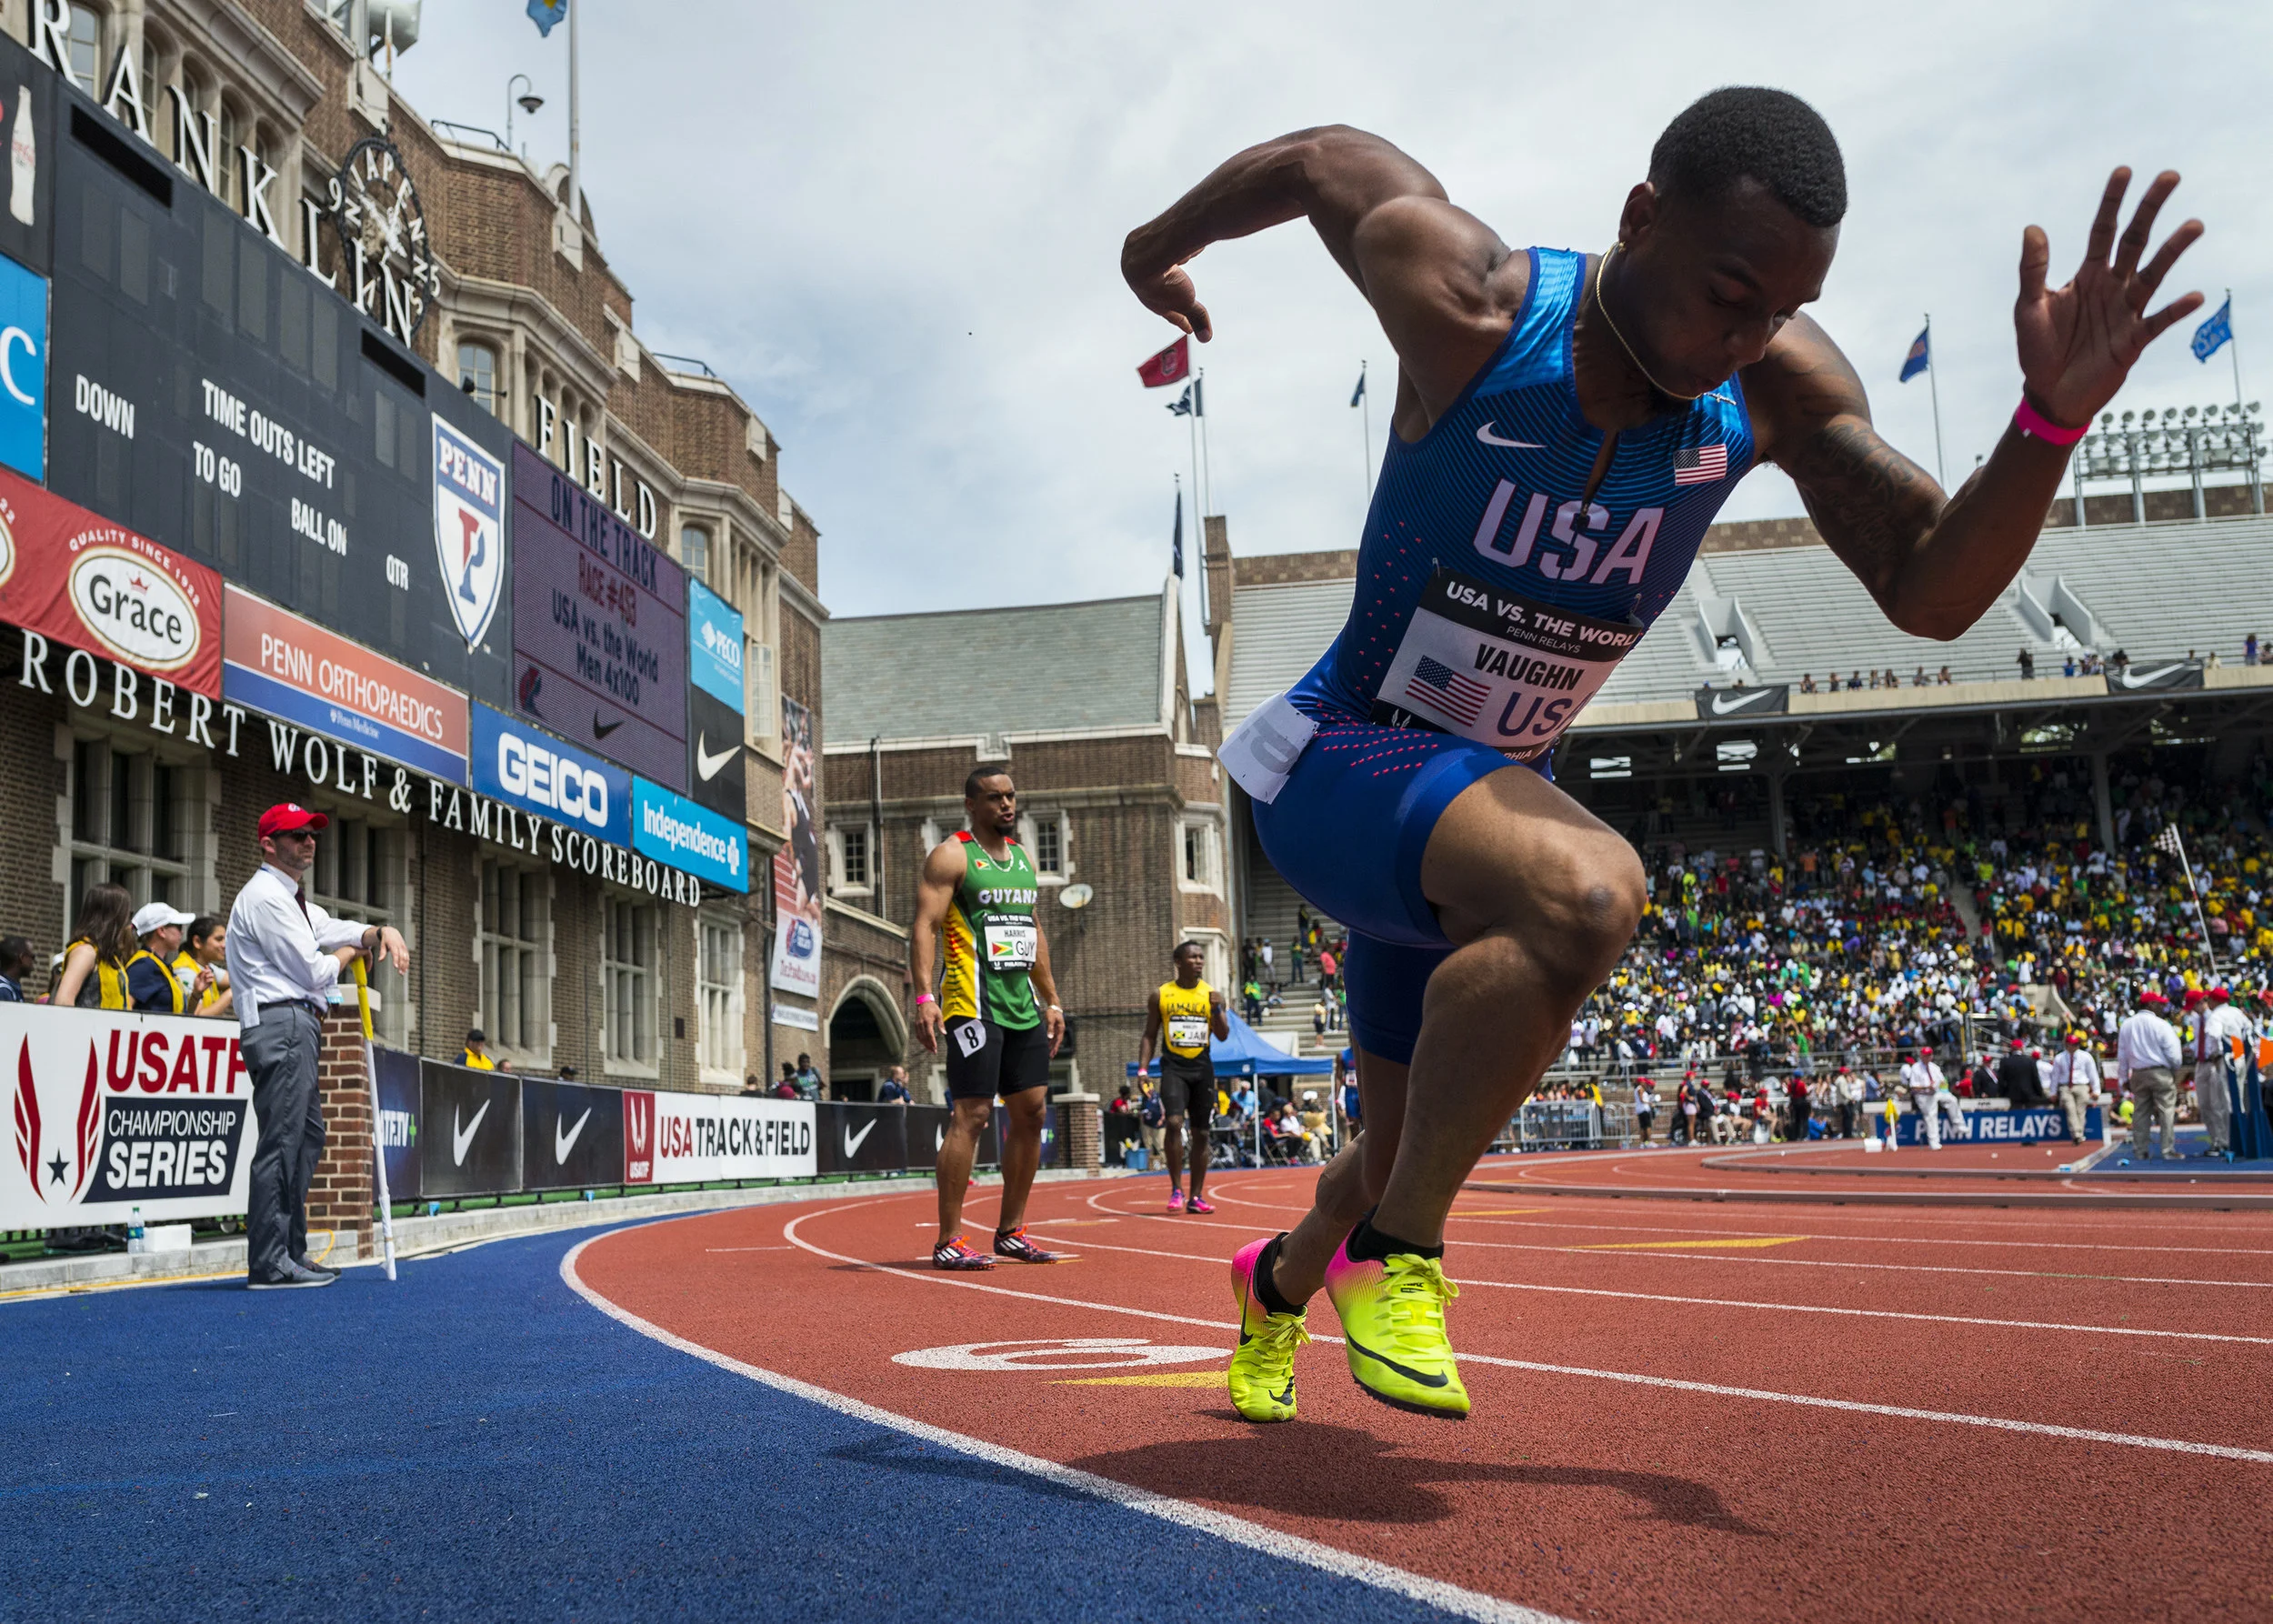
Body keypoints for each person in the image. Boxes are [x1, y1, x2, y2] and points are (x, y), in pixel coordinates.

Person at [1130, 94, 2200, 1421]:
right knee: (1589, 891)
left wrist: (2047, 422)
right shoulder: (1475, 306)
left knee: (1401, 1142)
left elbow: (1930, 591)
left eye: (1784, 308)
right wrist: (1152, 247)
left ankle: (1278, 1284)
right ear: (1641, 220)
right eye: (1730, 292)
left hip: (1472, 816)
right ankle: (1402, 1262)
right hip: (1342, 763)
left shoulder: (1769, 386)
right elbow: (1318, 161)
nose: (1750, 337)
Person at [226, 803, 409, 1288]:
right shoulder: (266, 897)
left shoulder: (293, 899)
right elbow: (313, 968)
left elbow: (331, 928)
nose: (309, 841)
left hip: (295, 1022)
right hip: (281, 1021)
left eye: (312, 834)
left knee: (305, 1137)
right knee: (283, 1142)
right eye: (296, 835)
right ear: (269, 844)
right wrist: (352, 953)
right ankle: (269, 1262)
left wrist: (377, 932)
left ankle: (290, 1250)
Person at [910, 769, 1066, 1269]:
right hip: (971, 1005)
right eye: (995, 798)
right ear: (971, 805)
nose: (1006, 805)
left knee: (1033, 1113)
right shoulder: (952, 855)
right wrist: (921, 997)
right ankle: (949, 1239)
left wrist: (1053, 1000)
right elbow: (925, 925)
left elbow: (1032, 931)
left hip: (1021, 1006)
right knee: (972, 1114)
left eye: (1011, 796)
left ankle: (1011, 1230)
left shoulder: (1022, 858)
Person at [1136, 939, 1232, 1214]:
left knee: (1202, 1132)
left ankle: (1197, 1196)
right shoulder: (1162, 994)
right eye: (1193, 957)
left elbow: (1223, 1035)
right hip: (1174, 1067)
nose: (1199, 961)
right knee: (1175, 1122)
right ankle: (1177, 1188)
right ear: (1178, 962)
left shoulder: (1212, 994)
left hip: (1202, 1068)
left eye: (1202, 956)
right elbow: (1149, 1035)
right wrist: (1143, 1070)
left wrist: (1217, 1009)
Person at [2117, 989, 2183, 1160]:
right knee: (2166, 1111)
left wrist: (2123, 1078)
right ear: (2151, 1005)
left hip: (2138, 1072)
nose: (2163, 1007)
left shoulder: (2127, 1024)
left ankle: (2140, 1150)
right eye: (2160, 1004)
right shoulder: (2160, 1024)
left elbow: (2122, 1055)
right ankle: (2167, 1150)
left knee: (2140, 1112)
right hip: (2160, 1071)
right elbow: (2174, 1053)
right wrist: (2174, 1070)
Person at [52, 882, 135, 1008]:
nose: (129, 924)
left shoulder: (109, 958)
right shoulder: (85, 952)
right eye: (127, 915)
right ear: (113, 917)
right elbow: (63, 1002)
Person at [2200, 986, 2251, 1158]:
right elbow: (2249, 1030)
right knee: (2240, 1100)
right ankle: (2243, 1136)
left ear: (2214, 1001)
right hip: (2240, 1055)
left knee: (2224, 1101)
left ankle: (2228, 1141)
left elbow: (2214, 1036)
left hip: (2226, 1058)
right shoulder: (2237, 1012)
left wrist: (2215, 1055)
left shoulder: (2216, 1016)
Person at [125, 903, 204, 1014]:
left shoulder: (159, 965)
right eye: (178, 927)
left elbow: (181, 1016)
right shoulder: (144, 966)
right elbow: (124, 1010)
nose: (181, 932)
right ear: (161, 931)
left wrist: (196, 994)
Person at [2049, 1030, 2101, 1144]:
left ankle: (2079, 1134)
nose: (2073, 1047)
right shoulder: (2059, 1058)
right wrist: (2052, 1092)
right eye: (2071, 1045)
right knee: (2070, 1109)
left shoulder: (2085, 1057)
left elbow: (2093, 1073)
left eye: (2075, 1045)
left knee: (2080, 1111)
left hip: (2081, 1085)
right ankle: (2077, 1134)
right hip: (2066, 1087)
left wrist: (2096, 1090)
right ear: (2066, 1045)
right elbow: (2055, 1076)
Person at [181, 915, 233, 1017]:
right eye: (219, 939)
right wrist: (231, 994)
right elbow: (198, 1015)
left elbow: (236, 979)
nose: (224, 945)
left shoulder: (207, 967)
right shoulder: (184, 971)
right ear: (197, 942)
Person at [0, 935, 31, 1002]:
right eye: (32, 957)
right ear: (22, 958)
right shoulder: (3, 990)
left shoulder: (10, 987)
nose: (33, 962)